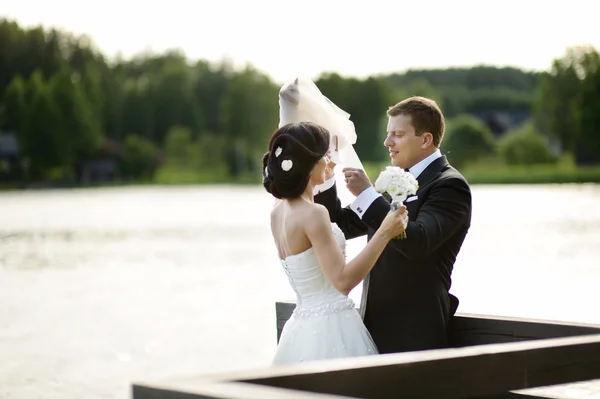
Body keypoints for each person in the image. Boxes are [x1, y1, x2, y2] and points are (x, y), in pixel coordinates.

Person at [314, 96, 472, 354]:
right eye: (389, 134)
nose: (388, 142)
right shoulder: (394, 181)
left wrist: (367, 194)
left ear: (425, 139)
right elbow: (340, 225)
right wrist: (326, 177)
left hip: (415, 332)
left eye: (397, 134)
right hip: (371, 326)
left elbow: (418, 242)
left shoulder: (449, 186)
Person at [263, 121, 408, 365]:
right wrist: (385, 232)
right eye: (326, 156)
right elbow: (342, 281)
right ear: (309, 163)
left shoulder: (278, 211)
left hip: (301, 327)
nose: (331, 162)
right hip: (332, 327)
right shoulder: (314, 213)